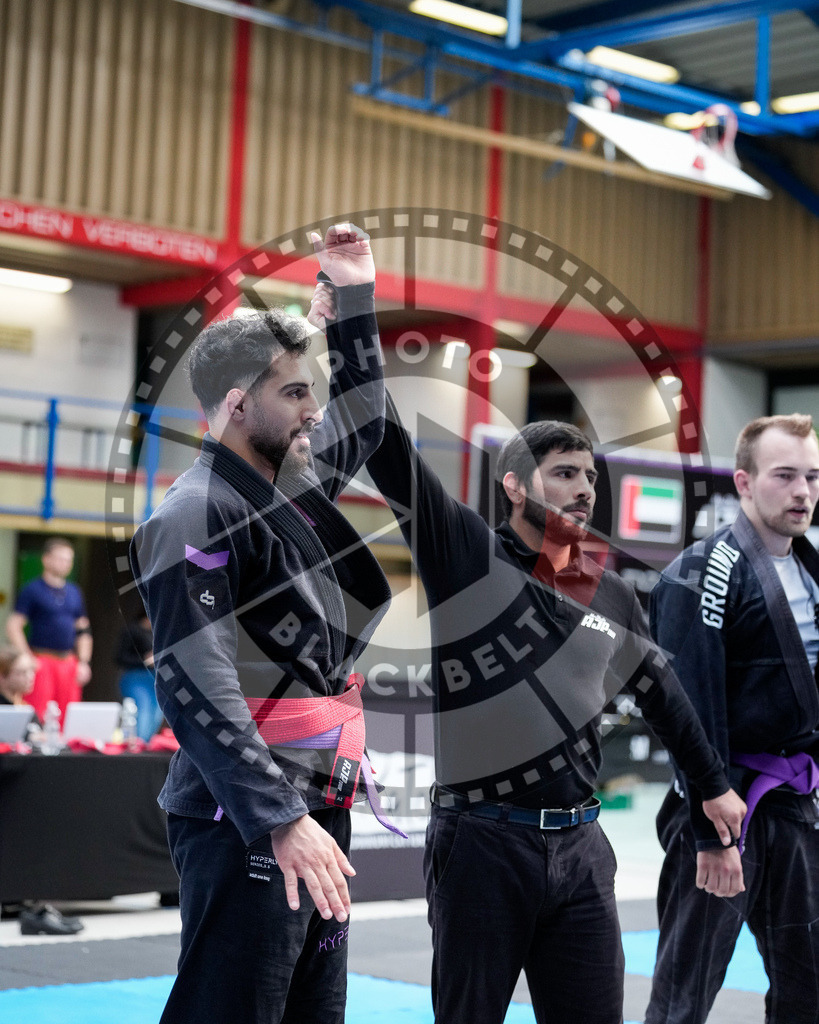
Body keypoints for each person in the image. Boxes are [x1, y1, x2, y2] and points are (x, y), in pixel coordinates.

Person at [309, 280, 745, 1024]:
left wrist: (711, 794)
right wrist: (352, 302)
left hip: (580, 848)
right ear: (513, 485)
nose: (584, 491)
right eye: (565, 474)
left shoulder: (608, 590)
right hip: (482, 848)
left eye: (591, 478)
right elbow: (383, 440)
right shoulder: (468, 559)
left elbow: (664, 695)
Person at [130, 225, 393, 1024]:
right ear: (238, 405)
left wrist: (352, 299)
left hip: (314, 798)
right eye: (293, 393)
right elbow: (196, 681)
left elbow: (368, 423)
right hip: (244, 814)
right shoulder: (193, 515)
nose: (313, 410)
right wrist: (279, 817)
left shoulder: (287, 486)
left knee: (312, 1013)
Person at [644, 413, 819, 1024]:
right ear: (743, 483)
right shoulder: (702, 571)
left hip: (792, 807)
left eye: (813, 477)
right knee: (683, 996)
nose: (802, 492)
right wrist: (708, 831)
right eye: (785, 476)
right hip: (724, 806)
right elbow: (687, 704)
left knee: (809, 986)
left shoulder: (810, 570)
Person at [0, 644, 84, 936]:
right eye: (21, 672)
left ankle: (36, 903)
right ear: (3, 676)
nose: (29, 678)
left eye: (30, 671)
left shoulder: (27, 709)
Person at [6, 537, 92, 723]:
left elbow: (83, 630)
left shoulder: (74, 592)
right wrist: (26, 656)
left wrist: (83, 661)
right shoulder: (32, 590)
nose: (65, 563)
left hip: (68, 662)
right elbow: (14, 625)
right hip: (42, 661)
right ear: (46, 559)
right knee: (39, 713)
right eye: (60, 558)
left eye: (69, 559)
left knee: (68, 716)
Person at [115, 610, 162, 742]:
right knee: (142, 711)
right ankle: (136, 745)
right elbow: (119, 657)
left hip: (155, 679)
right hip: (135, 677)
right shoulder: (133, 630)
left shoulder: (159, 632)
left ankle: (145, 744)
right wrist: (145, 660)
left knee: (157, 714)